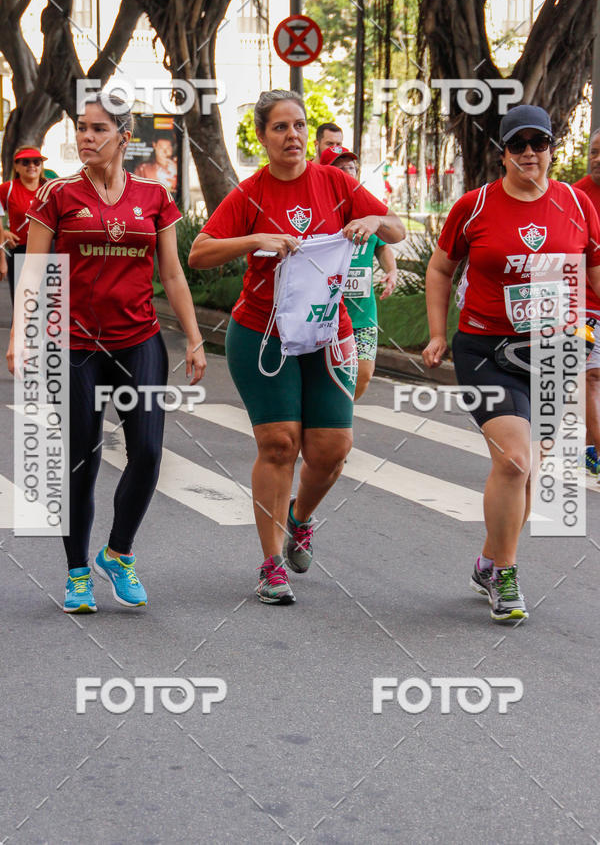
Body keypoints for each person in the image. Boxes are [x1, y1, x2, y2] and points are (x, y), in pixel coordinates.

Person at [189, 89, 405, 605]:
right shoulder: (249, 194)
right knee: (280, 444)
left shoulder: (336, 183)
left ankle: (300, 518)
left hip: (330, 333)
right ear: (263, 138)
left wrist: (373, 222)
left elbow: (395, 228)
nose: (293, 136)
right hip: (263, 334)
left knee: (331, 451)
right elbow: (199, 252)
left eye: (300, 126)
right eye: (280, 127)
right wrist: (254, 240)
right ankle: (270, 564)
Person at [6, 92, 206, 614]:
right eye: (81, 127)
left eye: (98, 129)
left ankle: (118, 553)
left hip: (138, 339)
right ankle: (77, 575)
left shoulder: (154, 196)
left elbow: (171, 273)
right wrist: (20, 335)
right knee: (81, 460)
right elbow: (34, 270)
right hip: (74, 343)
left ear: (124, 134)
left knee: (148, 452)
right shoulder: (57, 194)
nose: (86, 137)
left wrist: (195, 336)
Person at [423, 104, 600, 623]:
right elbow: (439, 268)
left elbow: (593, 271)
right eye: (517, 144)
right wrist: (437, 334)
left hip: (555, 349)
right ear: (503, 151)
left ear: (551, 148)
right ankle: (506, 576)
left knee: (529, 473)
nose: (529, 153)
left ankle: (487, 560)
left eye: (538, 143)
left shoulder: (575, 204)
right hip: (486, 349)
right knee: (515, 461)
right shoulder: (474, 206)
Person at [319, 145, 400, 399]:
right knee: (326, 375)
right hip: (324, 313)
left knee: (363, 373)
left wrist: (392, 272)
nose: (346, 173)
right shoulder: (322, 212)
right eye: (339, 168)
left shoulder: (369, 211)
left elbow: (383, 246)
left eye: (350, 168)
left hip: (363, 313)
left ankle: (338, 417)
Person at [573, 128, 600, 476]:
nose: (598, 159)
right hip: (584, 306)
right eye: (594, 152)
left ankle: (592, 446)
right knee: (591, 376)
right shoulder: (577, 195)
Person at [0, 146, 47, 304]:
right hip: (21, 251)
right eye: (26, 162)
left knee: (51, 308)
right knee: (24, 307)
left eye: (36, 161)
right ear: (16, 166)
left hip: (50, 251)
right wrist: (4, 233)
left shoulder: (51, 189)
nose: (32, 166)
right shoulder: (7, 189)